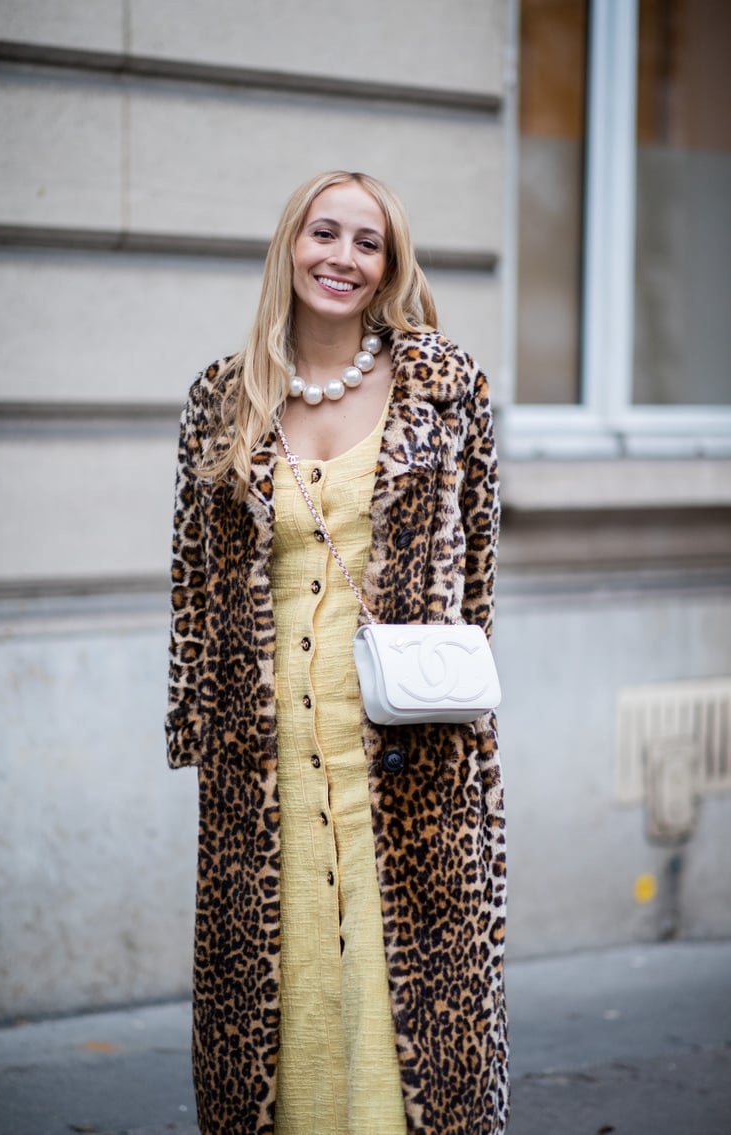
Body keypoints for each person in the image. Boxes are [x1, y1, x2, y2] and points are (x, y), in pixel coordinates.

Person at [166, 170, 508, 1135]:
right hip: (262, 754)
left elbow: (478, 578)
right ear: (291, 245)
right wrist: (197, 724)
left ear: (389, 266)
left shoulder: (447, 388)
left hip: (402, 751)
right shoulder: (222, 398)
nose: (343, 258)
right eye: (326, 233)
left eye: (369, 243)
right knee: (278, 1003)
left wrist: (470, 734)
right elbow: (191, 583)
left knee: (408, 1017)